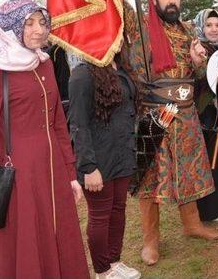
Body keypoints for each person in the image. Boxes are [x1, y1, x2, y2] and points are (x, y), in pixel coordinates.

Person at [0, 0, 89, 278]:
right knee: (26, 244)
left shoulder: (43, 64)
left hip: (52, 172)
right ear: (10, 27)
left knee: (59, 237)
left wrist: (70, 174)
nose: (39, 30)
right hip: (19, 177)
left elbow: (57, 125)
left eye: (42, 22)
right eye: (29, 23)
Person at [127, 0, 218, 266]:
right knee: (150, 177)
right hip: (154, 111)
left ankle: (191, 224)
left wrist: (199, 62)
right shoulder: (138, 28)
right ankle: (150, 240)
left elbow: (199, 75)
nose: (172, 1)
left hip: (185, 111)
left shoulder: (188, 31)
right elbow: (116, 3)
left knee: (189, 169)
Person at [69, 52, 139, 279]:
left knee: (118, 210)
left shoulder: (121, 67)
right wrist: (88, 167)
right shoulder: (82, 75)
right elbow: (78, 124)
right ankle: (102, 270)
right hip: (98, 159)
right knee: (100, 215)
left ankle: (115, 261)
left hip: (122, 152)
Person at [193, 8, 218, 222]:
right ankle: (202, 209)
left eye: (217, 25)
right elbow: (196, 81)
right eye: (209, 25)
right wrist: (215, 95)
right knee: (204, 161)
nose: (214, 29)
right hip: (202, 114)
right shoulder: (197, 50)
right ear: (201, 27)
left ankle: (215, 208)